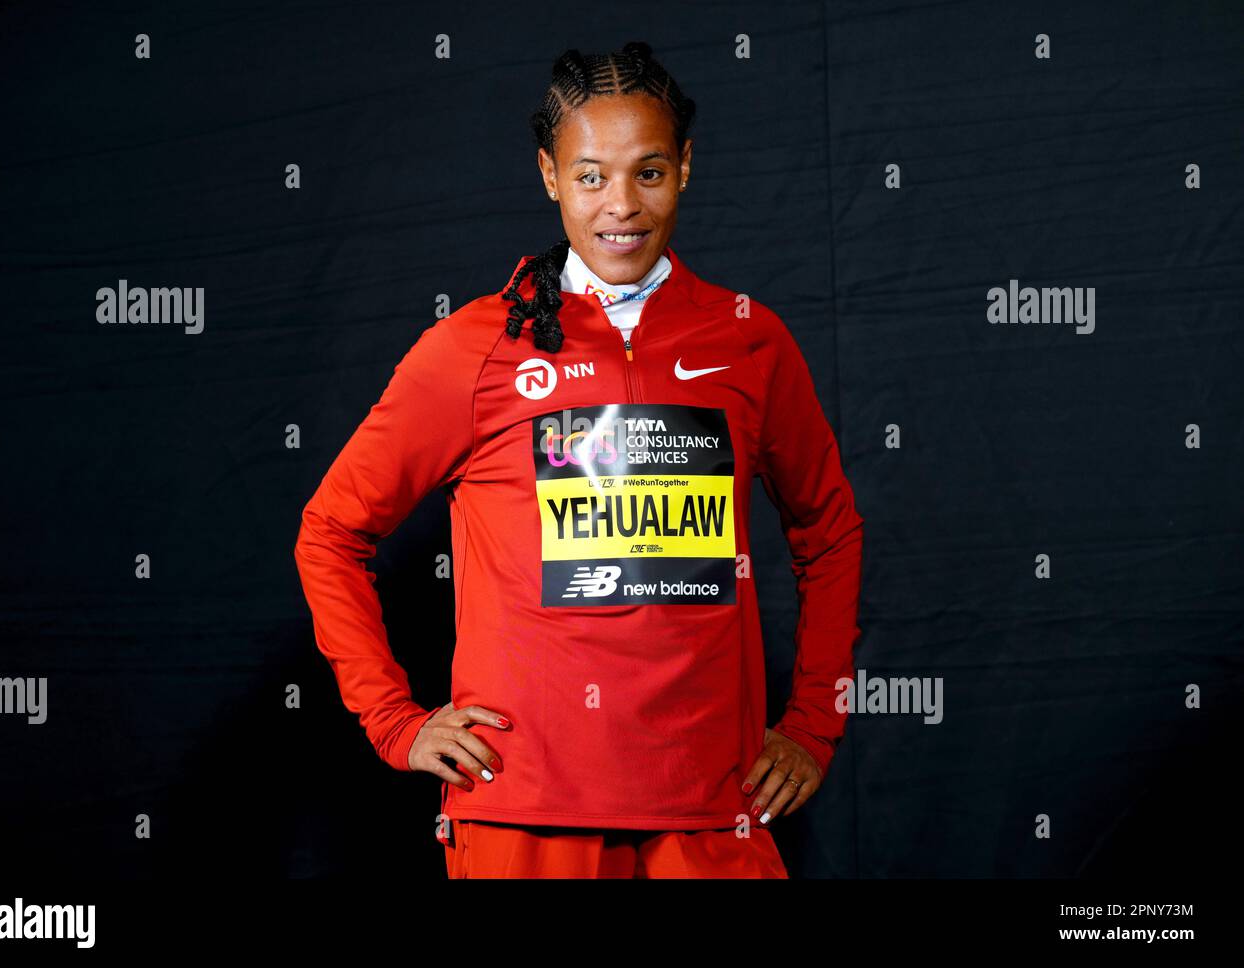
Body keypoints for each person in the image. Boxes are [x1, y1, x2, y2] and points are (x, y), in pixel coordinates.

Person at [294, 41, 864, 878]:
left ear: (687, 169)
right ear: (550, 176)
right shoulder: (478, 346)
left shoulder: (750, 340)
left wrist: (814, 724)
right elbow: (331, 531)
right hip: (525, 810)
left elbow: (830, 530)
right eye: (591, 175)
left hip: (710, 806)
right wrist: (394, 721)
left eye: (650, 172)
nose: (620, 207)